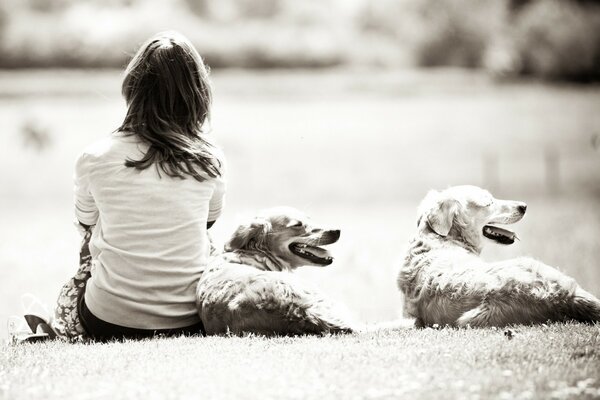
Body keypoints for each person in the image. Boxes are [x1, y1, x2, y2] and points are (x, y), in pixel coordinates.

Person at [52, 31, 226, 342]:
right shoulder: (209, 158)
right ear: (198, 93)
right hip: (189, 320)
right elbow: (208, 221)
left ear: (132, 86)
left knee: (97, 235)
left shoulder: (95, 156)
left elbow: (85, 224)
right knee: (205, 239)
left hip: (106, 319)